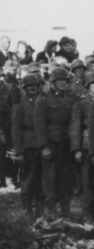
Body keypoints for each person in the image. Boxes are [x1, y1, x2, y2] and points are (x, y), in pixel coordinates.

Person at [34, 67, 76, 218]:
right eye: (59, 80)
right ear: (53, 82)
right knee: (50, 176)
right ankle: (50, 208)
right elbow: (39, 124)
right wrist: (44, 146)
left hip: (67, 142)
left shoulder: (71, 98)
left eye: (64, 80)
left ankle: (65, 207)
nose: (62, 83)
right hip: (52, 142)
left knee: (67, 177)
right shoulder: (43, 99)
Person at [69, 71, 94, 222]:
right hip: (87, 144)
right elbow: (75, 127)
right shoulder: (81, 103)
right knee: (87, 180)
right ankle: (88, 213)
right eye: (93, 84)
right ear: (88, 86)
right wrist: (77, 149)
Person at [11, 74, 44, 217]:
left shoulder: (43, 102)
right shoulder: (20, 105)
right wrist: (19, 150)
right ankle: (27, 210)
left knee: (41, 179)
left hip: (43, 145)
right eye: (29, 86)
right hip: (28, 146)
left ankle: (40, 211)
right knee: (28, 179)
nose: (33, 88)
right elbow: (16, 129)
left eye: (35, 86)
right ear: (24, 88)